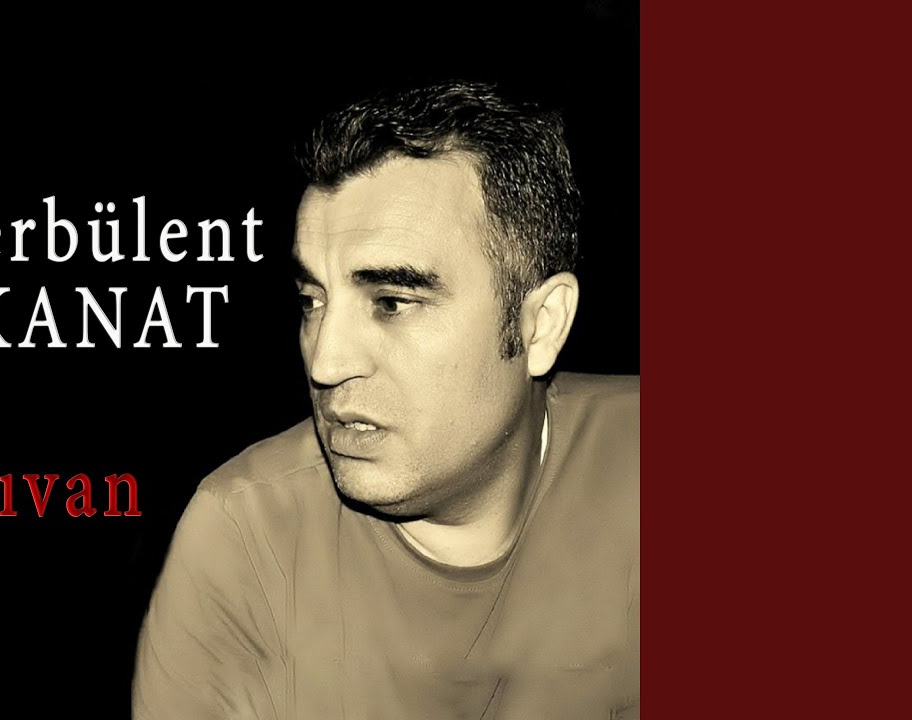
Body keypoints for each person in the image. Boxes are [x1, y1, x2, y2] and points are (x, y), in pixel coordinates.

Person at [132, 81, 639, 719]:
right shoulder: (245, 539)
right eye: (312, 301)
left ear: (539, 326)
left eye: (392, 303)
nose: (325, 362)